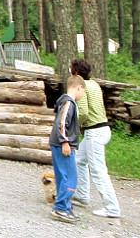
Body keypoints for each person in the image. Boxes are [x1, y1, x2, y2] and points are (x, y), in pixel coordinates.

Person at [70, 58, 122, 219]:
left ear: (77, 72)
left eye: (72, 69)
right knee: (79, 160)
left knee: (98, 171)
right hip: (103, 129)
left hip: (94, 132)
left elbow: (84, 111)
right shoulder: (94, 84)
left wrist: (75, 126)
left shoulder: (82, 86)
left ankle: (112, 208)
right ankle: (82, 195)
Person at [49, 74, 86, 223]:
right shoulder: (69, 103)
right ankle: (60, 208)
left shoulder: (65, 102)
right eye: (83, 92)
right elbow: (62, 123)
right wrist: (65, 142)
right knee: (70, 177)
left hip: (59, 144)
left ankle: (65, 206)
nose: (83, 95)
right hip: (63, 145)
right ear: (79, 88)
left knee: (63, 176)